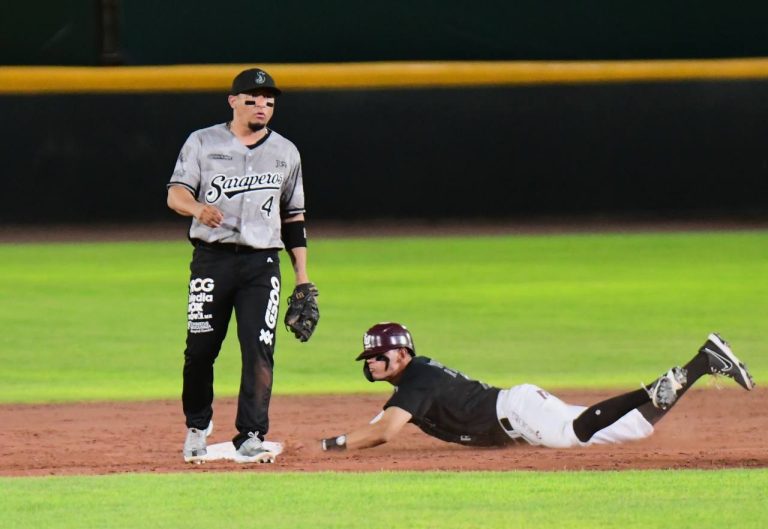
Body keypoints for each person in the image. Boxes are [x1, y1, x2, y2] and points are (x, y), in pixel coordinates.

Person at [167, 67, 320, 464]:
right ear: (233, 101)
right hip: (211, 261)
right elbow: (176, 194)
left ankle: (251, 433)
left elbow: (294, 218)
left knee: (259, 349)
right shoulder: (202, 142)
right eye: (252, 98)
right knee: (200, 350)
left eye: (269, 99)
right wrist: (199, 208)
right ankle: (197, 427)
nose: (261, 105)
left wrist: (302, 276)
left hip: (261, 263)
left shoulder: (286, 152)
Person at [320, 323, 754, 452]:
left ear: (400, 354)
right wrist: (342, 440)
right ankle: (704, 360)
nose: (371, 363)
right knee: (636, 430)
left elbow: (384, 431)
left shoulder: (418, 377)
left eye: (376, 356)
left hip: (520, 413)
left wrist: (331, 447)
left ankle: (650, 391)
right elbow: (380, 420)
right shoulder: (415, 382)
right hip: (521, 406)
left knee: (571, 435)